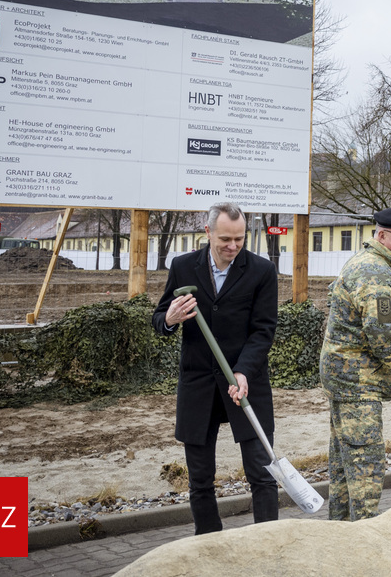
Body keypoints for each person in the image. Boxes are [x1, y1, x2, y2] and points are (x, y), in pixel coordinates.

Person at [152, 201, 279, 535]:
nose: (233, 246)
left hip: (246, 383)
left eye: (239, 239)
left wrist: (243, 371)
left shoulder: (261, 271)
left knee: (262, 474)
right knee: (200, 479)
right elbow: (159, 318)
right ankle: (208, 545)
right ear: (207, 232)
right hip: (198, 386)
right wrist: (169, 319)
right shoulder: (183, 267)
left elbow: (263, 330)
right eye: (225, 239)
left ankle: (265, 544)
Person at [319, 207, 391, 521]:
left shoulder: (368, 261)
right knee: (366, 465)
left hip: (343, 377)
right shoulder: (378, 274)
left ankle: (339, 530)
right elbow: (383, 337)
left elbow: (374, 328)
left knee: (343, 463)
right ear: (381, 235)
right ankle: (365, 534)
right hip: (357, 382)